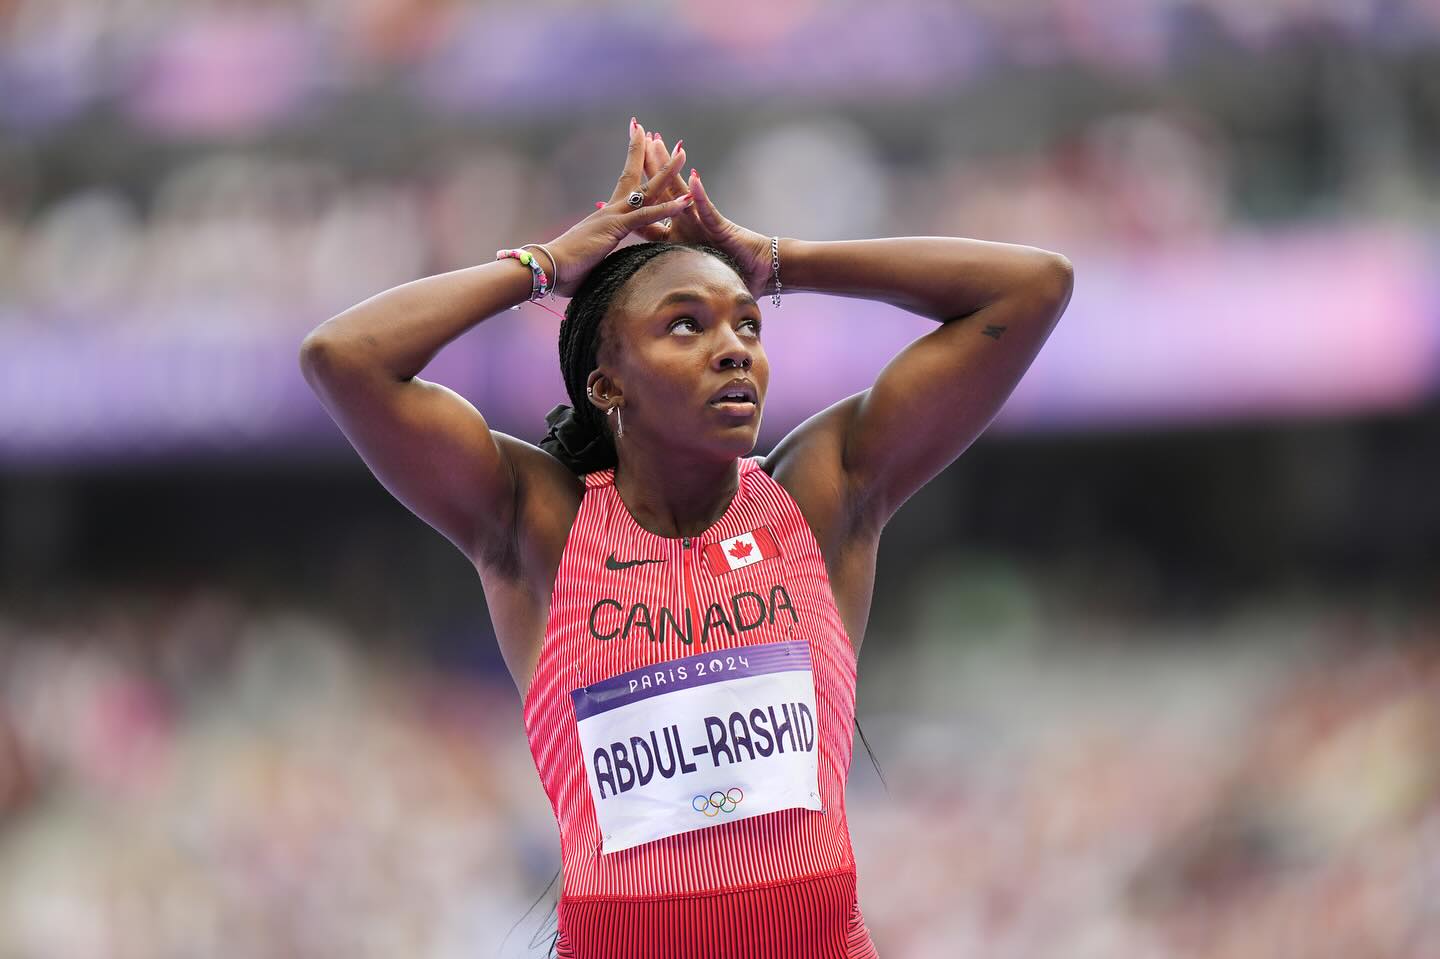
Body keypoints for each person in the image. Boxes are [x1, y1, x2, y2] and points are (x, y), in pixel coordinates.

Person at [299, 117, 1073, 958]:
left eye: (748, 324)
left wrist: (777, 261)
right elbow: (344, 357)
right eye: (686, 326)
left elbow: (1033, 286)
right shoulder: (539, 523)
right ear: (605, 381)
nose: (734, 349)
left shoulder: (817, 496)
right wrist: (548, 265)